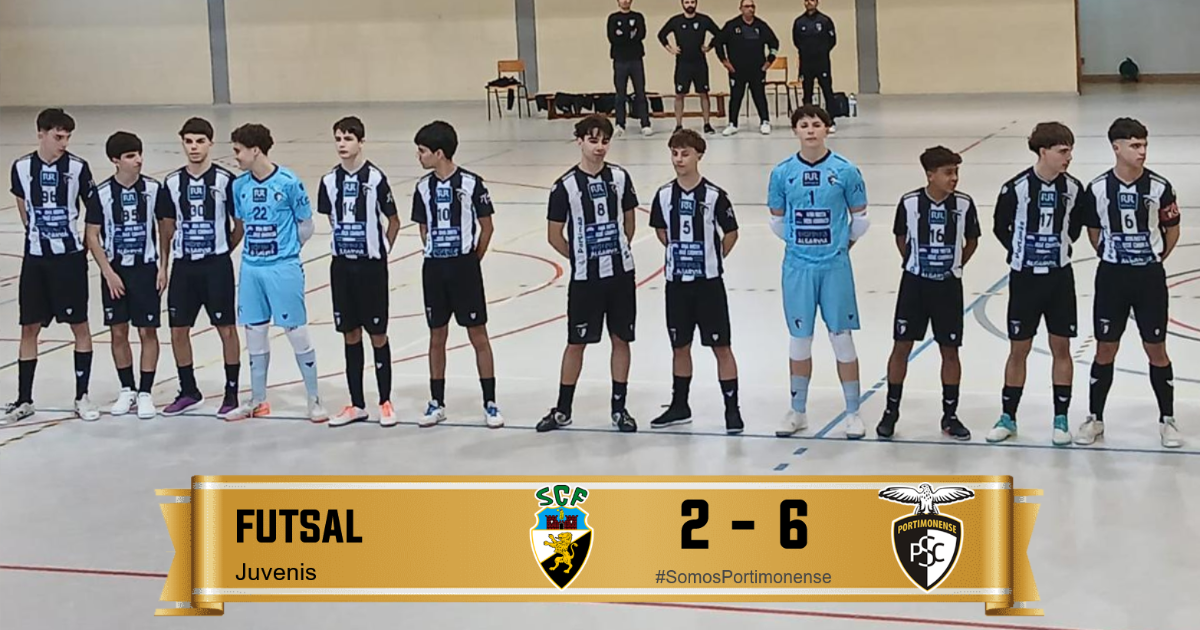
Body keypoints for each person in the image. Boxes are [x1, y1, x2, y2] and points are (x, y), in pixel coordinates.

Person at [1077, 118, 1182, 448]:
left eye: (1145, 145)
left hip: (1148, 276)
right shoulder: (1097, 188)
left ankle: (1167, 419)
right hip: (1112, 277)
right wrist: (1112, 255)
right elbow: (1093, 231)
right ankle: (1095, 418)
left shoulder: (1160, 187)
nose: (1142, 151)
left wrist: (1155, 258)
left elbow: (1172, 229)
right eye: (1135, 145)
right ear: (1116, 147)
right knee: (1105, 347)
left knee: (1156, 348)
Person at [769, 105, 869, 439]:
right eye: (803, 125)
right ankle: (797, 411)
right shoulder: (782, 173)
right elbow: (777, 222)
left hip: (835, 267)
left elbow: (861, 219)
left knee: (842, 338)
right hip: (798, 268)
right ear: (795, 131)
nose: (810, 130)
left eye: (816, 124)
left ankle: (853, 412)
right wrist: (801, 247)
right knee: (800, 339)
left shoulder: (846, 171)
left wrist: (840, 246)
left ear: (828, 129)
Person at [539, 114, 640, 434]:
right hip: (585, 280)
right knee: (576, 342)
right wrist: (579, 256)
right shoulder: (564, 186)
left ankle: (619, 408)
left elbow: (630, 221)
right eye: (593, 140)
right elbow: (554, 235)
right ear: (579, 141)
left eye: (605, 141)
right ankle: (563, 409)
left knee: (621, 339)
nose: (599, 147)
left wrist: (619, 248)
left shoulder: (620, 178)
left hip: (621, 276)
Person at [986, 122, 1085, 446]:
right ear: (1043, 152)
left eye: (1070, 150)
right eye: (1062, 151)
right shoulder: (1015, 188)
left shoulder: (1074, 189)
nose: (1068, 157)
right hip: (1025, 279)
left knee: (1061, 347)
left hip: (1059, 279)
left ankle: (1061, 419)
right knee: (1019, 349)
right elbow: (1000, 227)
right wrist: (1022, 252)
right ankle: (1008, 416)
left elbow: (1075, 228)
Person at [2, 108, 100, 425]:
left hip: (69, 260)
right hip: (36, 260)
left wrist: (83, 244)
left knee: (79, 326)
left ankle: (82, 396)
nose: (64, 143)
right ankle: (24, 399)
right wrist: (37, 236)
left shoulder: (78, 168)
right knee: (29, 327)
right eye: (58, 136)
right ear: (41, 134)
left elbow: (94, 210)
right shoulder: (21, 168)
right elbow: (23, 208)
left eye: (67, 137)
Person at [224, 123, 327, 423]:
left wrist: (288, 251)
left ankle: (314, 399)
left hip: (282, 267)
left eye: (238, 150)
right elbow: (241, 224)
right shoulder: (239, 186)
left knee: (296, 332)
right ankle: (258, 399)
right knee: (254, 332)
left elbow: (306, 225)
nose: (235, 157)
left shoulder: (288, 182)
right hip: (251, 268)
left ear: (255, 150)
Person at [876, 147, 980, 441]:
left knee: (950, 350)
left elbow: (972, 240)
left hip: (948, 287)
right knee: (902, 346)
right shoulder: (909, 202)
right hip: (915, 285)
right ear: (930, 175)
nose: (954, 178)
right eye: (948, 173)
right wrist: (915, 263)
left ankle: (950, 414)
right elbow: (900, 237)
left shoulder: (964, 204)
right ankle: (891, 411)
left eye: (956, 172)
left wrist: (954, 264)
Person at [649, 129, 743, 433]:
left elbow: (731, 233)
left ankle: (732, 409)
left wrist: (713, 257)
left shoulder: (714, 195)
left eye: (685, 154)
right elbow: (661, 231)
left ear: (699, 156)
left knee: (721, 346)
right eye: (674, 153)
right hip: (677, 285)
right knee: (680, 346)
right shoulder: (664, 195)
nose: (679, 159)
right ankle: (680, 405)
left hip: (708, 286)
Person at [411, 121, 503, 429]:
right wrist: (435, 250)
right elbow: (423, 227)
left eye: (422, 151)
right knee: (437, 335)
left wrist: (472, 259)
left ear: (439, 153)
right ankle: (436, 402)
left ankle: (490, 402)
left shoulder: (472, 184)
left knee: (478, 335)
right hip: (434, 268)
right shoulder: (422, 187)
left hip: (464, 268)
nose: (419, 156)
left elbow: (487, 226)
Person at [158, 117, 244, 419]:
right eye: (189, 141)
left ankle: (231, 392)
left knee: (226, 329)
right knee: (178, 330)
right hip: (184, 267)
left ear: (210, 143)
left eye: (200, 141)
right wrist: (164, 266)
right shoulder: (171, 183)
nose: (194, 147)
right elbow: (166, 228)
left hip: (216, 266)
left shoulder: (225, 180)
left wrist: (223, 250)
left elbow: (238, 225)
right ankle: (189, 390)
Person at [319, 116, 401, 428]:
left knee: (377, 334)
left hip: (371, 267)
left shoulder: (376, 179)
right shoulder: (329, 181)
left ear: (361, 142)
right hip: (342, 266)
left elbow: (393, 220)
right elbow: (331, 219)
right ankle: (356, 404)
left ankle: (385, 401)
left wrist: (383, 249)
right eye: (338, 138)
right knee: (350, 333)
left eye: (348, 138)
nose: (342, 144)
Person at [83, 131, 168, 420]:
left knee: (147, 331)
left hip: (145, 270)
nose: (138, 160)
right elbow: (92, 235)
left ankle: (145, 392)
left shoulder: (154, 189)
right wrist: (108, 272)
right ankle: (127, 388)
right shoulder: (102, 194)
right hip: (116, 271)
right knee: (118, 330)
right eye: (131, 156)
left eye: (139, 154)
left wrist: (163, 267)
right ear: (115, 160)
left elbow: (165, 229)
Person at [715, 0, 779, 136]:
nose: (750, 9)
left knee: (759, 95)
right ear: (741, 9)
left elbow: (774, 43)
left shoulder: (761, 26)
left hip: (757, 69)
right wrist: (725, 62)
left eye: (752, 6)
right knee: (736, 97)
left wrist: (769, 61)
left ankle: (765, 121)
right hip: (737, 70)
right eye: (747, 6)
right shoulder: (731, 25)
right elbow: (718, 42)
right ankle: (732, 124)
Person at [658, 0, 721, 135]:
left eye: (692, 2)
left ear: (696, 3)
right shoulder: (676, 21)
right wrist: (670, 49)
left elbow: (719, 34)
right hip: (683, 64)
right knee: (679, 94)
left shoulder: (704, 20)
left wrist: (709, 47)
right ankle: (678, 125)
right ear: (682, 4)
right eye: (686, 2)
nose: (690, 5)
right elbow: (661, 34)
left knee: (703, 93)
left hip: (700, 63)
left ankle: (707, 124)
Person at [792, 0, 839, 133]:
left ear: (817, 2)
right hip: (806, 63)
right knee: (807, 92)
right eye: (807, 0)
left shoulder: (825, 21)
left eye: (812, 0)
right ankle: (807, 120)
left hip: (822, 62)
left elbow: (832, 40)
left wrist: (822, 51)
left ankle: (830, 121)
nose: (809, 3)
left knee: (827, 90)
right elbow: (796, 41)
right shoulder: (799, 22)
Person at [607, 0, 653, 137]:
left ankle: (645, 124)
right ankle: (620, 124)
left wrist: (623, 34)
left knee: (640, 92)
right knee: (620, 94)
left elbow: (641, 34)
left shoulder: (638, 17)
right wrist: (629, 35)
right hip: (620, 60)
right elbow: (613, 37)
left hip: (636, 59)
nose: (625, 1)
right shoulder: (613, 18)